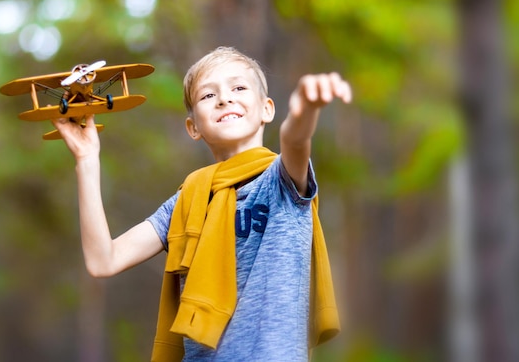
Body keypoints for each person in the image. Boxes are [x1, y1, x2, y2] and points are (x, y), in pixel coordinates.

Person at [53, 46, 352, 361]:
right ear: (193, 127)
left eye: (238, 88)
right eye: (208, 95)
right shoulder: (187, 200)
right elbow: (104, 260)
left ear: (266, 109)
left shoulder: (281, 181)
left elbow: (294, 139)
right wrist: (87, 160)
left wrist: (305, 108)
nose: (225, 98)